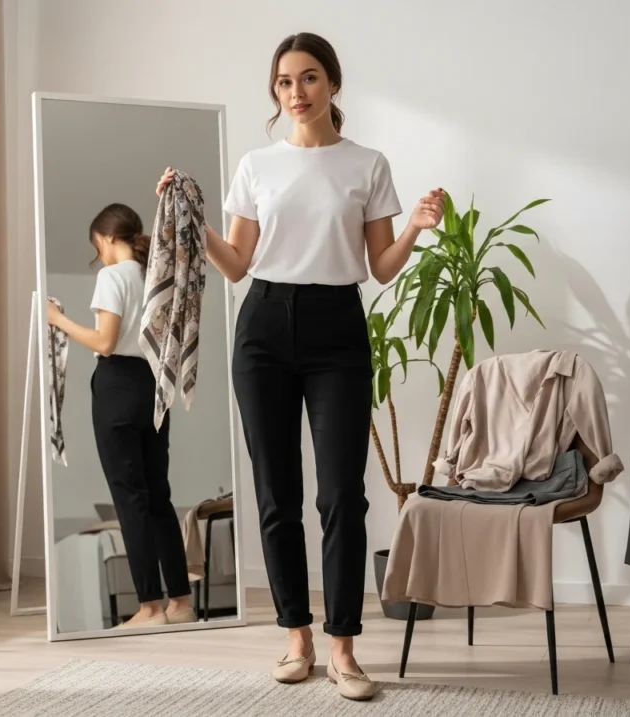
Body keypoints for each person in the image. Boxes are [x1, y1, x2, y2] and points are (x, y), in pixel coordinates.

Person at [156, 33, 443, 700]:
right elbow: (237, 264)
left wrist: (415, 228)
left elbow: (378, 267)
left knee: (343, 491)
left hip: (338, 328)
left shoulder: (366, 164)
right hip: (262, 326)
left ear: (333, 84)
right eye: (284, 82)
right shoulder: (257, 165)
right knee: (276, 494)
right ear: (276, 92)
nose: (297, 92)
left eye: (309, 78)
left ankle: (343, 646)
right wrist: (194, 221)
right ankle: (297, 636)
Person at [46, 203, 196, 629]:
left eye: (98, 246)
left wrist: (59, 320)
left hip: (117, 388)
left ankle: (149, 607)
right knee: (158, 497)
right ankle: (180, 603)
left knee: (130, 499)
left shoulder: (112, 277)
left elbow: (104, 342)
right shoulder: (155, 275)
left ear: (109, 237)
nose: (99, 255)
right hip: (154, 387)